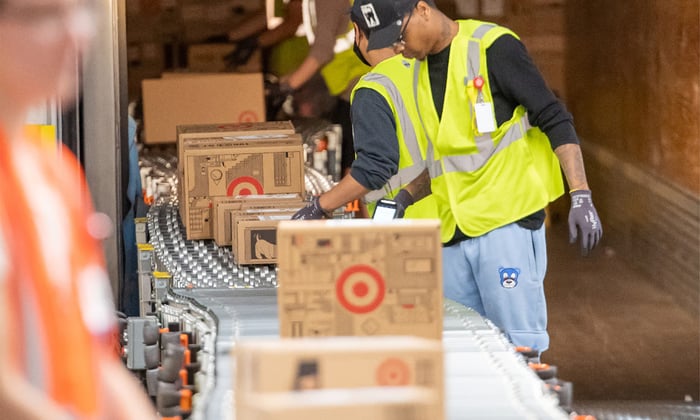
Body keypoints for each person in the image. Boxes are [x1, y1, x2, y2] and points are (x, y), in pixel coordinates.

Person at [343, 0, 603, 355]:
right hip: (454, 230)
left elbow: (554, 116)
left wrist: (581, 194)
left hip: (505, 223)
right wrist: (405, 196)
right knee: (464, 347)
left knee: (519, 345)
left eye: (400, 35)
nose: (400, 47)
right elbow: (444, 156)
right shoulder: (418, 71)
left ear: (422, 9)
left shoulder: (492, 47)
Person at [0, 0, 157, 418]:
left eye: (79, 12)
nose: (78, 34)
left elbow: (90, 359)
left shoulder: (57, 175)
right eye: (46, 15)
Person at [292, 4, 436, 220]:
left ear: (357, 32)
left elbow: (373, 169)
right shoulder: (429, 71)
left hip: (407, 224)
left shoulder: (373, 90)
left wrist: (319, 206)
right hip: (452, 218)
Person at [275, 0, 370, 174]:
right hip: (351, 85)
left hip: (357, 85)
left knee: (354, 164)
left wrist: (287, 87)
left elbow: (322, 52)